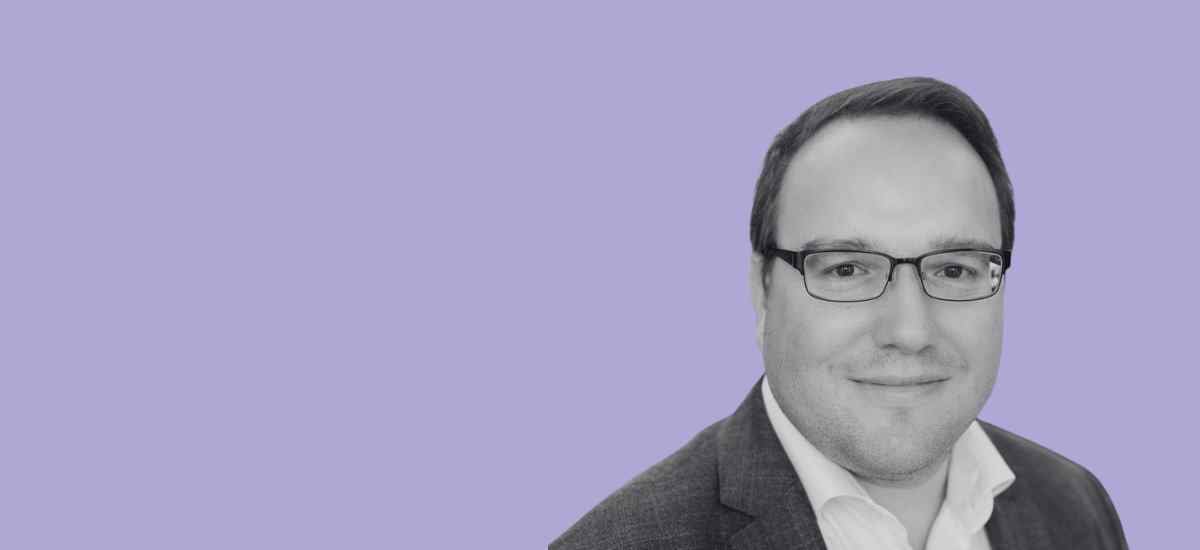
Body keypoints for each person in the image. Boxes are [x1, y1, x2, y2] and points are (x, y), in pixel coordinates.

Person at [551, 77, 1128, 550]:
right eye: (848, 269)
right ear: (763, 291)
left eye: (954, 270)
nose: (909, 331)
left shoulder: (1074, 504)